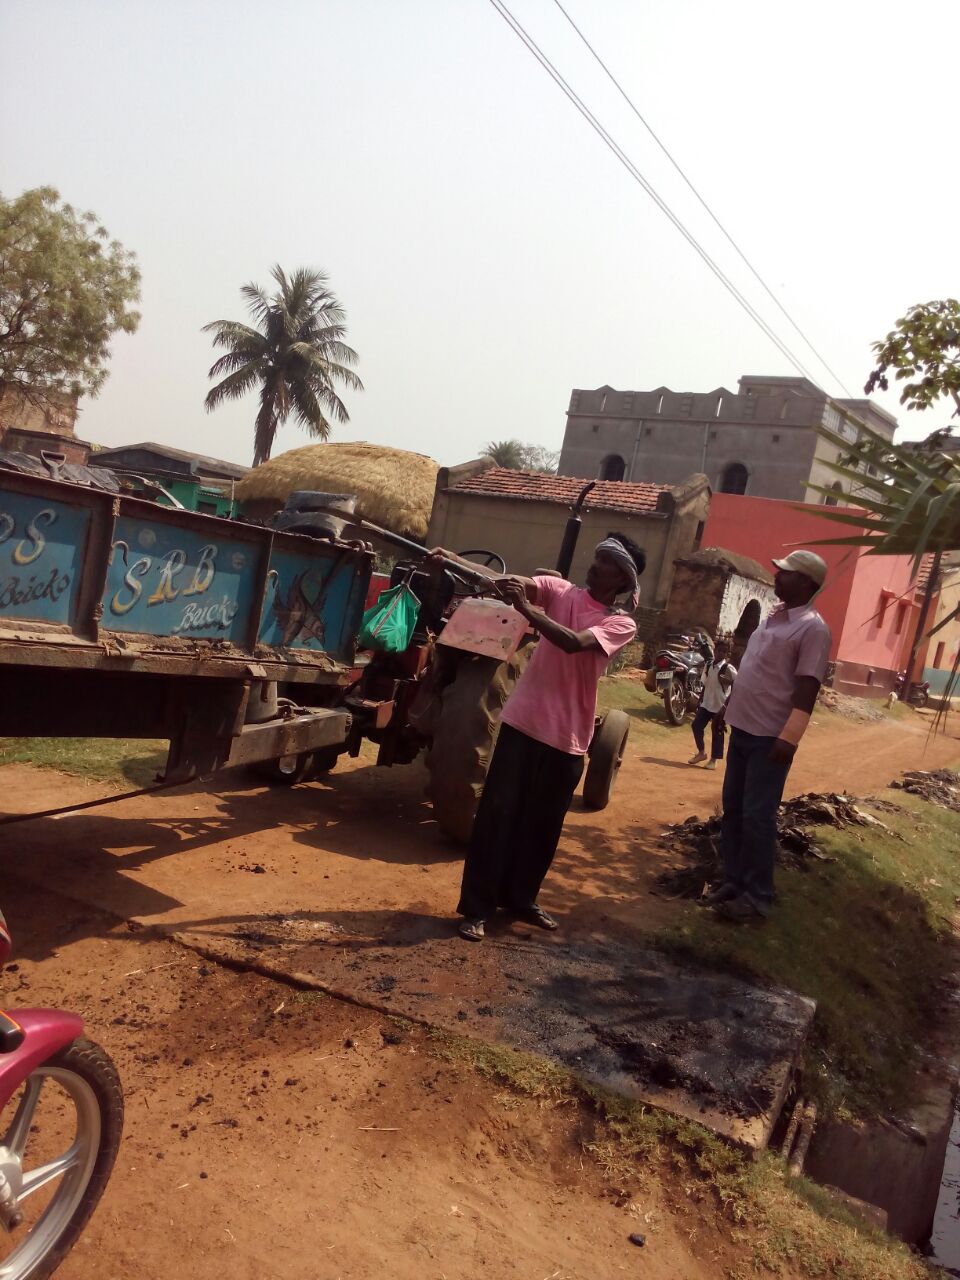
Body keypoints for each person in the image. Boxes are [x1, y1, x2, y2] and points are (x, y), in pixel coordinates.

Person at [438, 534, 645, 942]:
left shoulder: (620, 623)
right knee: (496, 819)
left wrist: (527, 610)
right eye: (597, 556)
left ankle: (521, 899)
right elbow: (500, 580)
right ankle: (476, 909)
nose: (594, 563)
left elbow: (573, 644)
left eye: (604, 561)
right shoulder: (559, 590)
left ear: (621, 577)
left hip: (568, 738)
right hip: (522, 726)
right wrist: (452, 559)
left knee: (543, 827)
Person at [704, 550, 831, 923]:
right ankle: (734, 881)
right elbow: (752, 671)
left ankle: (758, 896)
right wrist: (728, 707)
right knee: (734, 811)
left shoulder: (812, 628)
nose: (777, 576)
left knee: (758, 817)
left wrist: (789, 737)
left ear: (806, 583)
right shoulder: (773, 619)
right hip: (743, 726)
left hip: (770, 737)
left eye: (786, 573)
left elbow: (807, 688)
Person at [688, 638, 736, 770]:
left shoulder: (728, 668)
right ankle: (701, 752)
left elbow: (737, 685)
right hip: (707, 703)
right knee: (696, 725)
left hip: (720, 706)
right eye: (719, 650)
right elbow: (706, 683)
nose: (720, 653)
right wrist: (700, 699)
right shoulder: (708, 665)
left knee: (717, 731)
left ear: (727, 654)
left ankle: (714, 760)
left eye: (724, 652)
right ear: (714, 650)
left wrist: (727, 705)